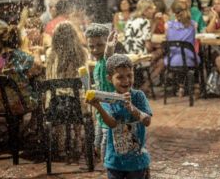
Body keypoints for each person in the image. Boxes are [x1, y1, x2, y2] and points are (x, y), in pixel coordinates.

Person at [86, 54, 152, 179]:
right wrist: (98, 107)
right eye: (120, 77)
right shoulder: (109, 99)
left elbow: (147, 121)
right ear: (110, 79)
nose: (126, 80)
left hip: (137, 160)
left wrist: (132, 108)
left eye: (129, 75)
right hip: (115, 160)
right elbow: (112, 124)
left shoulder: (138, 96)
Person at [45, 21, 87, 161]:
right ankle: (78, 143)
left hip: (56, 105)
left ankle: (61, 148)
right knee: (81, 97)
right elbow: (85, 81)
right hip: (77, 106)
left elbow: (48, 77)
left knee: (59, 99)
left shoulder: (50, 54)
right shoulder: (82, 53)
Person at [85, 23, 117, 162]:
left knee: (106, 148)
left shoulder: (106, 61)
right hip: (100, 114)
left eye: (100, 45)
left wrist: (109, 47)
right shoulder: (97, 64)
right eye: (91, 46)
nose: (95, 49)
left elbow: (108, 56)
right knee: (97, 145)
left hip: (110, 113)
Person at [165, 0, 200, 98]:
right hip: (189, 58)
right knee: (194, 59)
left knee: (181, 59)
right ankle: (196, 87)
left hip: (171, 60)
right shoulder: (193, 24)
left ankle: (181, 87)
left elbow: (167, 38)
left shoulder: (168, 25)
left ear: (173, 13)